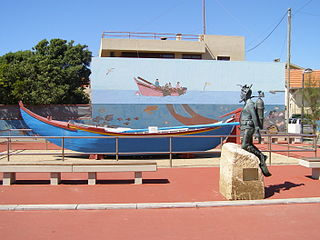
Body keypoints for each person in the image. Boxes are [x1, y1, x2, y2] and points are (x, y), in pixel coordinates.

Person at [240, 84, 271, 177]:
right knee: (249, 145)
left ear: (246, 94)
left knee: (245, 145)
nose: (240, 95)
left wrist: (257, 130)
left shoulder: (249, 104)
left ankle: (261, 157)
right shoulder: (247, 103)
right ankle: (262, 157)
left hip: (249, 128)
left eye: (242, 93)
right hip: (246, 127)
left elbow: (254, 117)